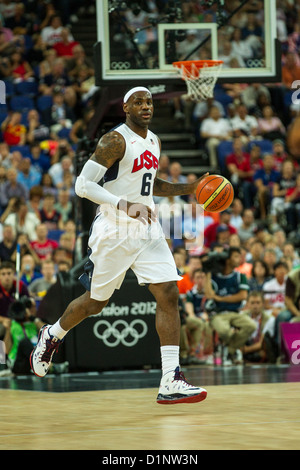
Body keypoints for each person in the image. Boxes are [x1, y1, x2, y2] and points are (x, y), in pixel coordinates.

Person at [30, 86, 208, 405]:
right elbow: (83, 185)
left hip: (147, 228)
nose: (145, 106)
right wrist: (124, 205)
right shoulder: (115, 140)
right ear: (125, 107)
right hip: (114, 229)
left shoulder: (153, 140)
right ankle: (52, 334)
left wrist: (190, 188)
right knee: (96, 302)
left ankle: (171, 378)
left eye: (149, 101)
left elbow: (151, 185)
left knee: (168, 291)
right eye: (138, 101)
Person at [204, 247, 256, 364]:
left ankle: (230, 349)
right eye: (236, 256)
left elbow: (243, 296)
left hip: (235, 312)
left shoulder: (240, 276)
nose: (240, 259)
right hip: (218, 314)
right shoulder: (214, 276)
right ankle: (233, 351)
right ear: (228, 260)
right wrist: (207, 272)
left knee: (251, 325)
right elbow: (209, 295)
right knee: (225, 331)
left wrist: (220, 298)